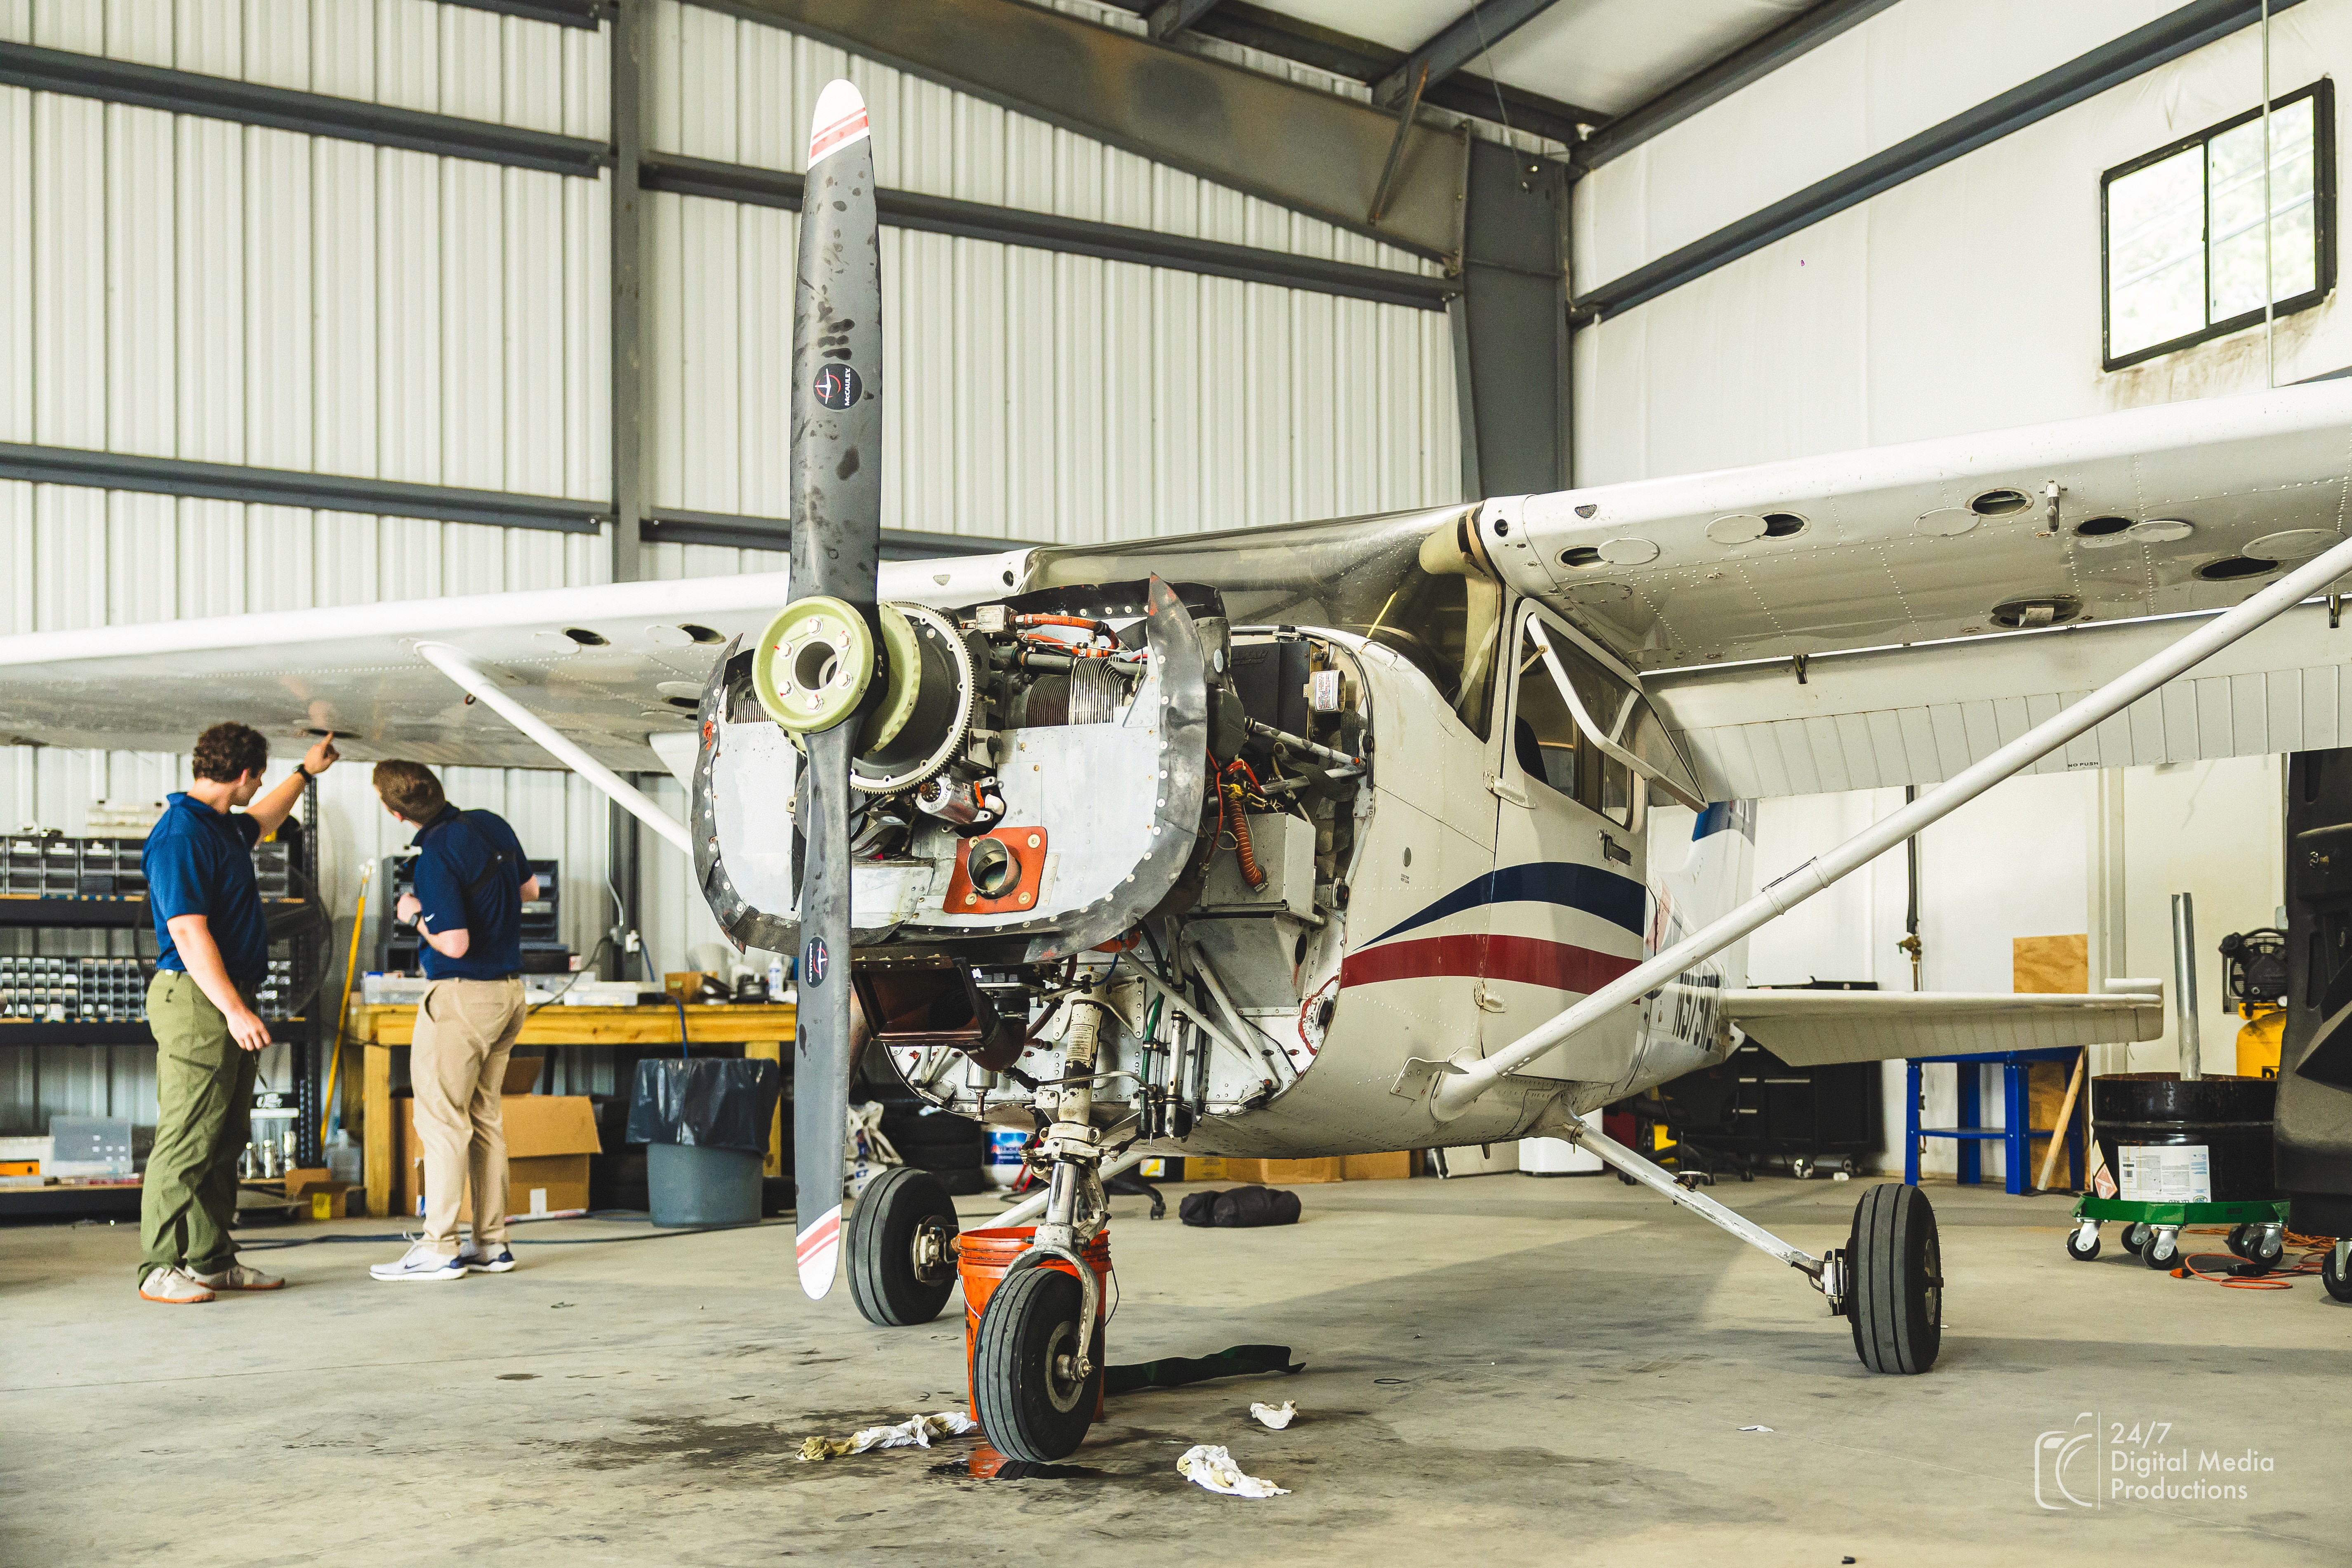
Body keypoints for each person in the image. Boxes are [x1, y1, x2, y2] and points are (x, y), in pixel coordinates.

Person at [138, 723, 339, 1304]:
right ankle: (159, 1265)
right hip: (199, 1000)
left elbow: (266, 818)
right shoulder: (181, 835)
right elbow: (186, 929)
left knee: (225, 1134)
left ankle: (210, 1259)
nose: (261, 787)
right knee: (186, 1136)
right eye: (263, 777)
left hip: (229, 996)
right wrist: (232, 1008)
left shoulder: (220, 825)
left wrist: (305, 772)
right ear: (246, 774)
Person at [367, 762, 537, 1283]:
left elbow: (454, 942)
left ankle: (440, 1247)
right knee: (484, 1120)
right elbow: (529, 891)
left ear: (396, 813)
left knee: (441, 1122)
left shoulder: (435, 855)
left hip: (463, 998)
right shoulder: (491, 823)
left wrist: (412, 913)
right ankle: (492, 1243)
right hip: (510, 994)